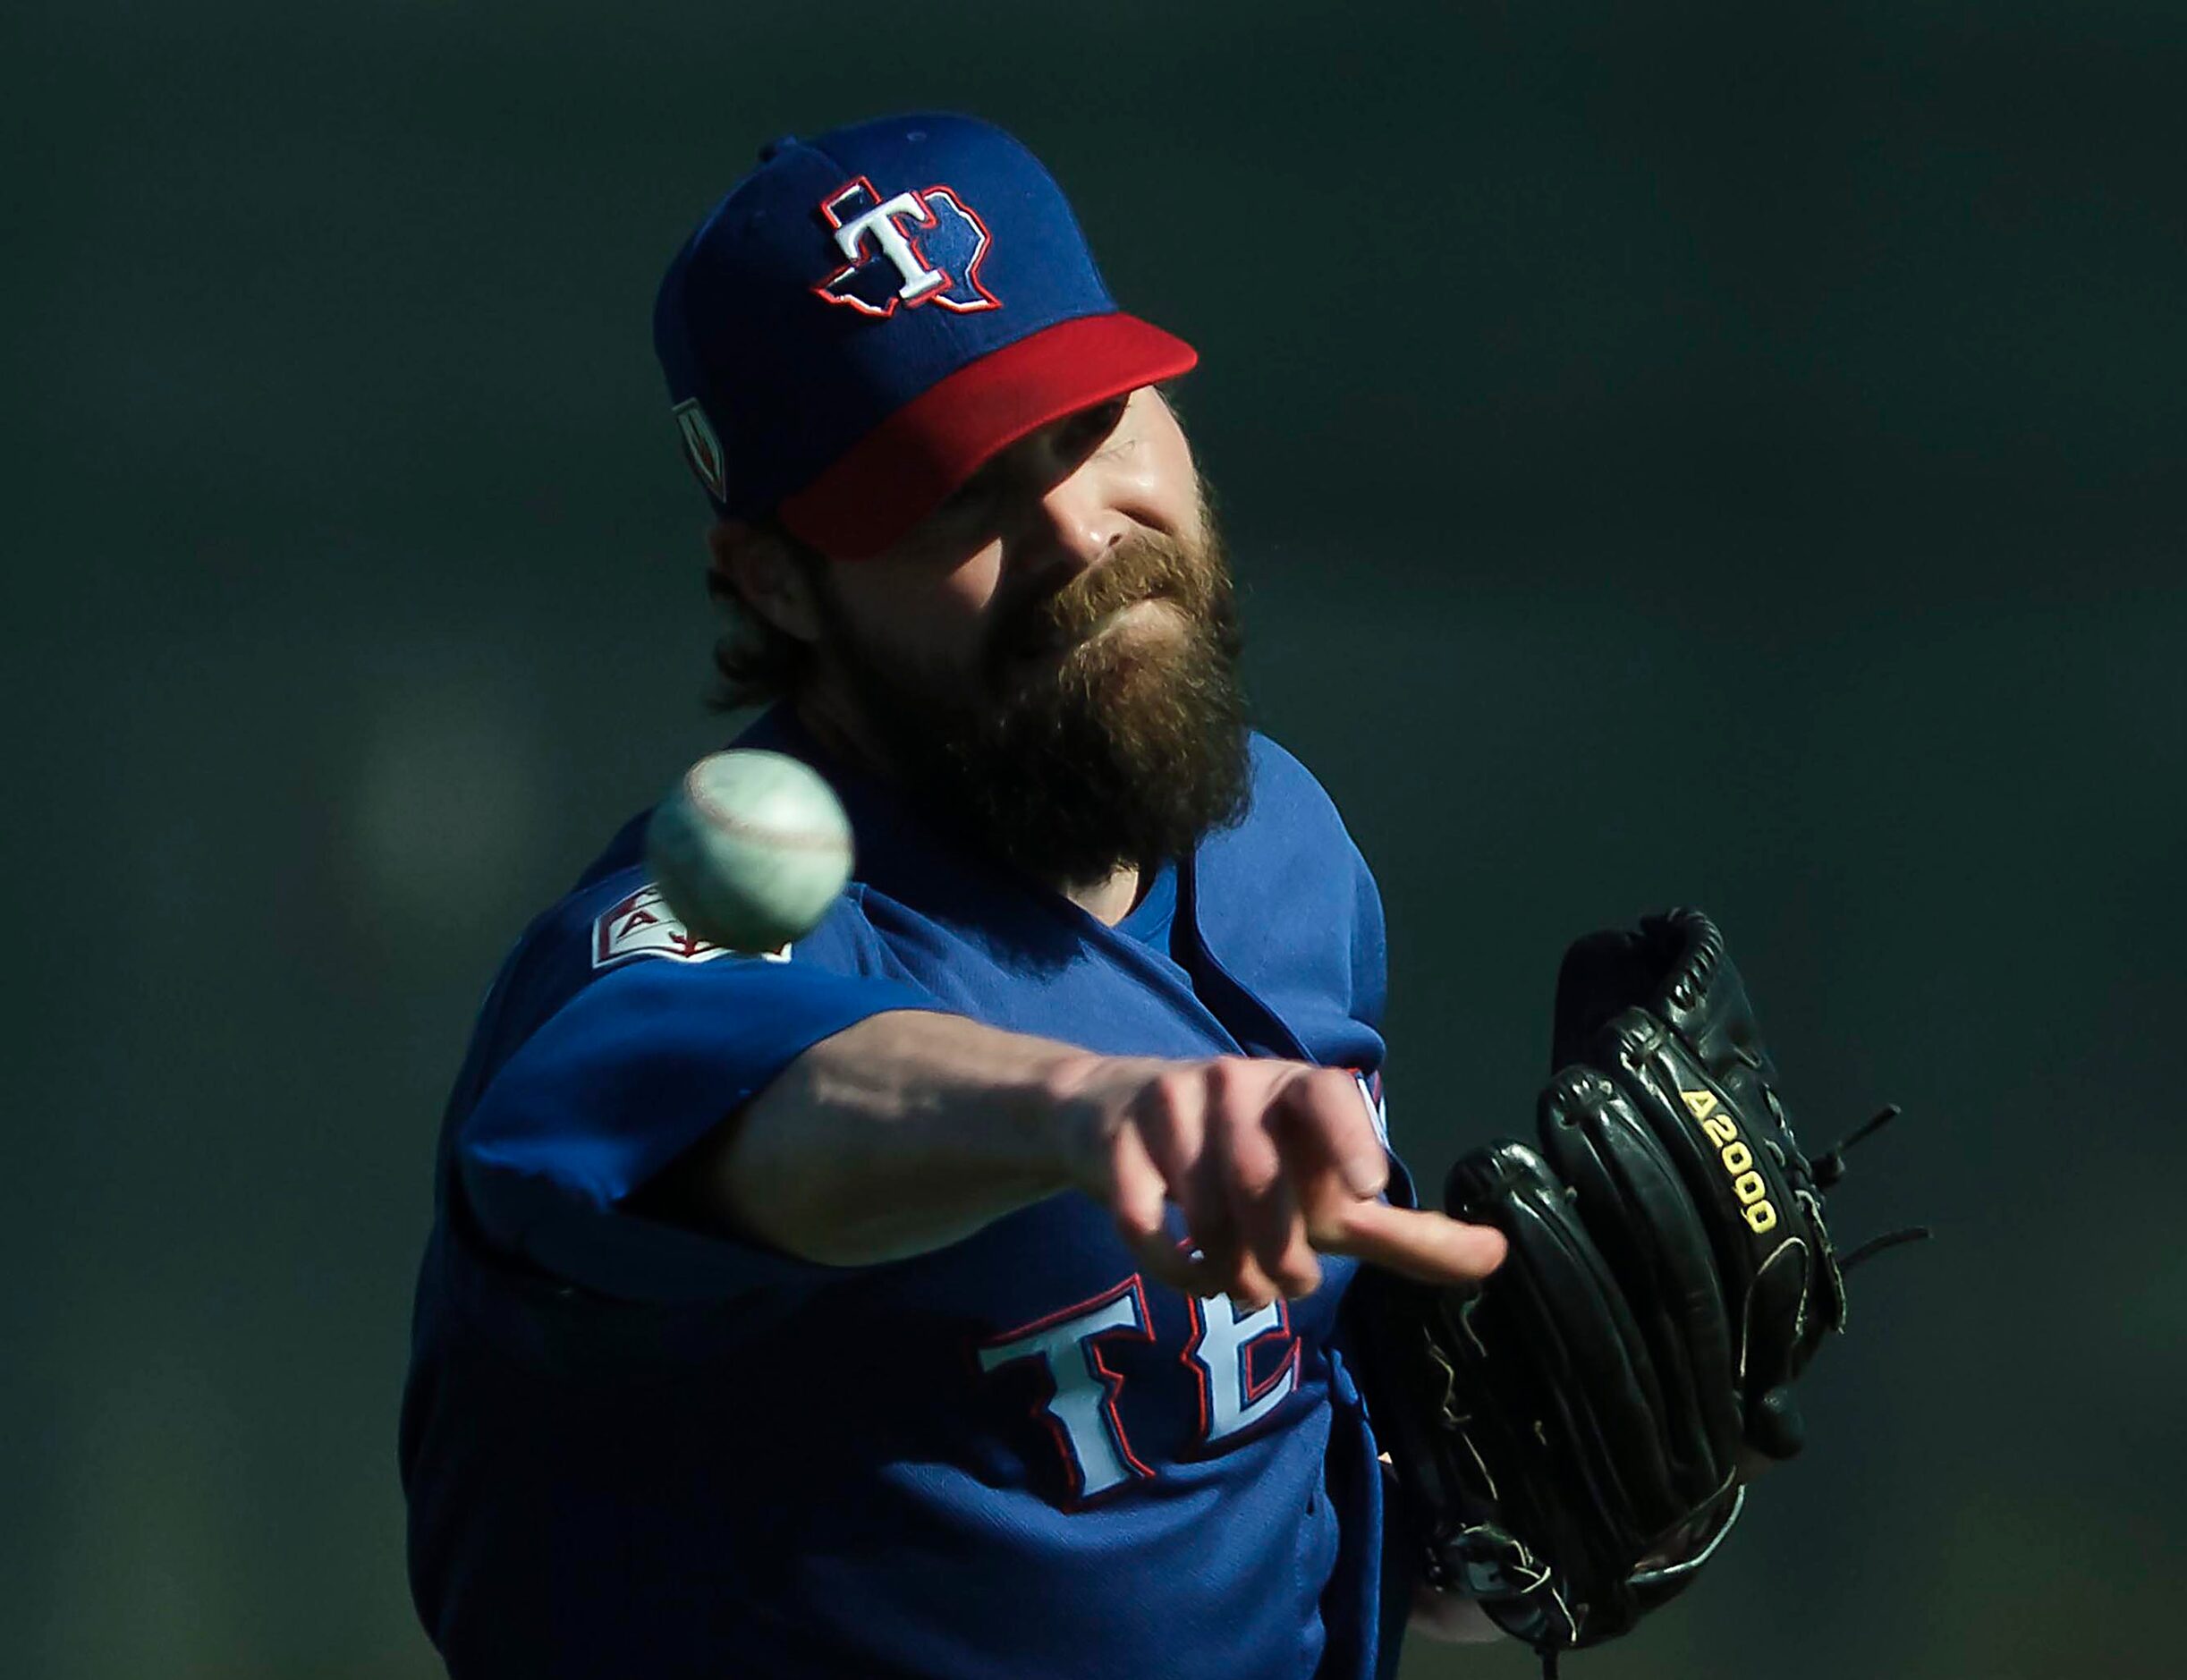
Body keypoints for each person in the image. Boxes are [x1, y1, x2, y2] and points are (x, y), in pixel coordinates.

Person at [400, 111, 1510, 1680]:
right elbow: (741, 1101)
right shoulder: (719, 916)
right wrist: (1074, 1111)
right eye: (952, 492)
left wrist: (1478, 1529)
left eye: (1085, 421)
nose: (1069, 525)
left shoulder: (1280, 844)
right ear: (774, 578)